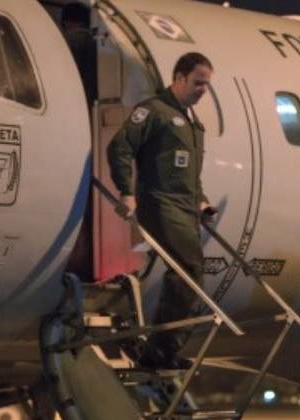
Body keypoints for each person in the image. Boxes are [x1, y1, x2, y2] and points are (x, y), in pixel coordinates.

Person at [107, 52, 214, 369]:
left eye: (206, 85)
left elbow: (188, 173)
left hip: (185, 208)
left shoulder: (193, 123)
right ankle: (160, 351)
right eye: (198, 83)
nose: (203, 91)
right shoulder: (154, 111)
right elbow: (120, 146)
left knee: (189, 274)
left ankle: (162, 349)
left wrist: (201, 200)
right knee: (189, 269)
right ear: (179, 78)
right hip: (160, 203)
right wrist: (127, 191)